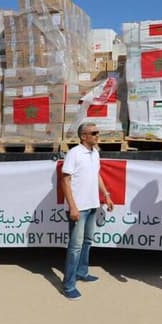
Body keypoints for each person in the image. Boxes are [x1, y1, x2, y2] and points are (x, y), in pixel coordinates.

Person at [60, 122, 114, 301]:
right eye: (94, 132)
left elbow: (96, 174)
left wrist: (105, 195)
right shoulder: (74, 154)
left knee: (87, 241)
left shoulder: (95, 153)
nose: (98, 135)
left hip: (92, 205)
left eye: (98, 132)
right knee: (75, 246)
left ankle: (82, 272)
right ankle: (68, 285)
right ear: (83, 136)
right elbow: (65, 181)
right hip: (79, 208)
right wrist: (73, 207)